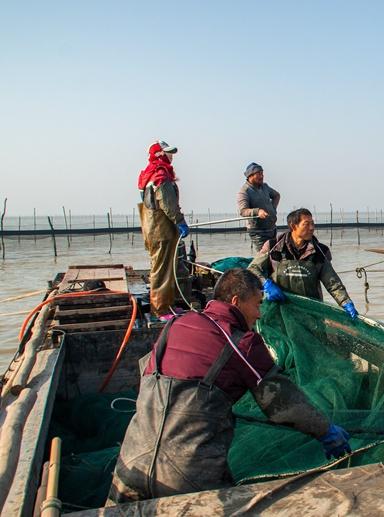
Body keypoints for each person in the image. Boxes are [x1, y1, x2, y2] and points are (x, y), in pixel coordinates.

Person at [107, 268, 351, 503]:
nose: (259, 314)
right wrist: (324, 430)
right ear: (236, 301)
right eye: (257, 304)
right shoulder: (241, 342)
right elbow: (283, 403)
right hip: (188, 474)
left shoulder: (175, 324)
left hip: (131, 464)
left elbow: (148, 375)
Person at [248, 208, 358, 319]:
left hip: (311, 314)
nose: (311, 228)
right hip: (279, 311)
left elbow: (332, 283)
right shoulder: (273, 247)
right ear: (293, 226)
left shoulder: (320, 251)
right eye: (306, 224)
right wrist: (266, 284)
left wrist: (345, 302)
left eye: (312, 224)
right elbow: (253, 269)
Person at [137, 140, 190, 321]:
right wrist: (180, 221)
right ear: (159, 154)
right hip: (162, 230)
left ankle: (168, 305)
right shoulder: (160, 175)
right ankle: (160, 310)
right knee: (162, 270)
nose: (171, 156)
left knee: (166, 268)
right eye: (168, 153)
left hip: (154, 228)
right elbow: (168, 205)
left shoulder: (148, 175)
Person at [237, 162, 281, 251]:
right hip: (258, 231)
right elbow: (243, 211)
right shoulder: (244, 191)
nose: (262, 176)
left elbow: (276, 195)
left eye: (262, 174)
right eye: (259, 174)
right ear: (250, 176)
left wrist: (273, 209)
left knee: (275, 254)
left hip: (272, 228)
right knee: (264, 256)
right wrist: (258, 211)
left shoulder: (264, 186)